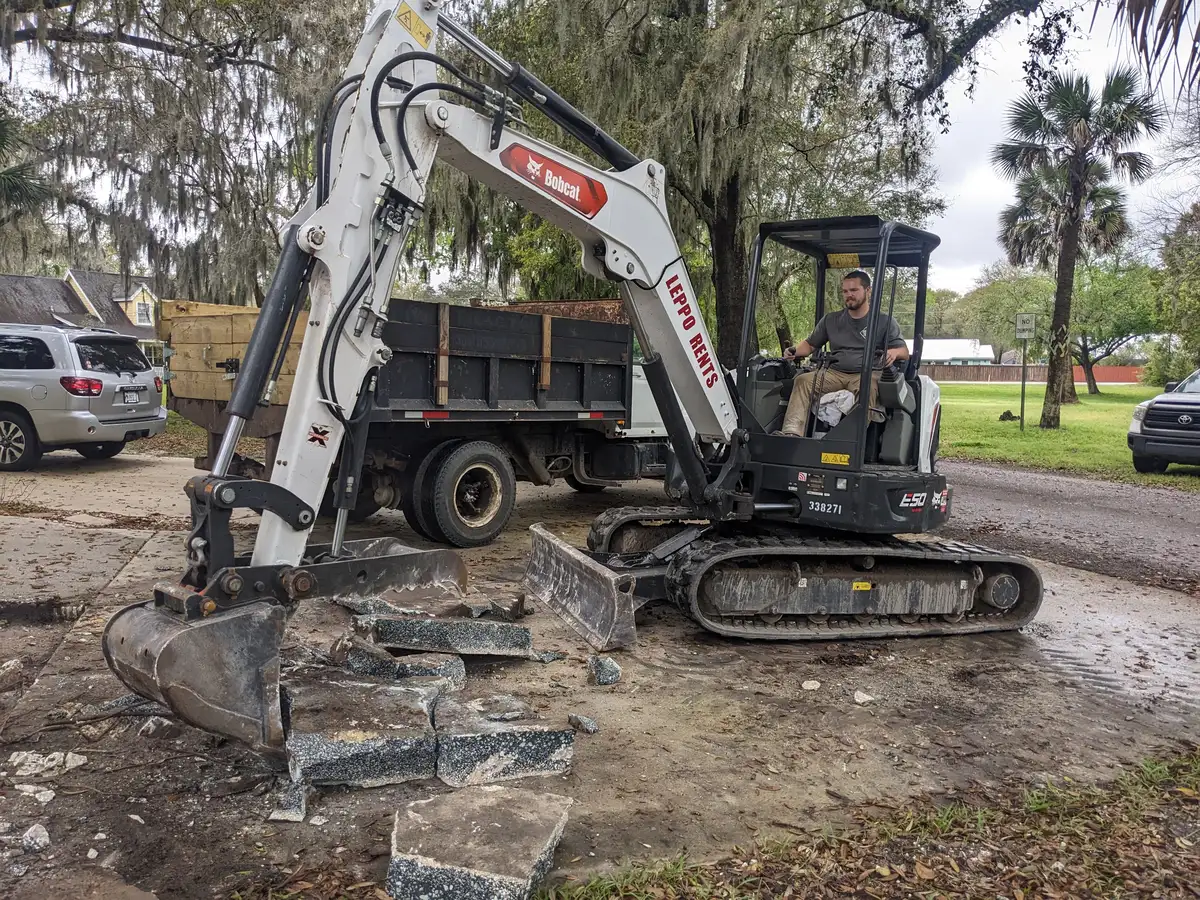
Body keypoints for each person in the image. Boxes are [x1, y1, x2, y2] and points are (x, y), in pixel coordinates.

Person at [778, 270, 909, 436]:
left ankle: (852, 438)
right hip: (834, 373)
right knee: (803, 381)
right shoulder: (831, 320)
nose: (849, 295)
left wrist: (894, 352)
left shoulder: (884, 321)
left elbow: (904, 351)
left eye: (854, 290)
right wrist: (794, 351)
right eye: (845, 291)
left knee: (868, 387)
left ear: (868, 291)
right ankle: (792, 433)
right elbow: (810, 344)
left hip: (866, 374)